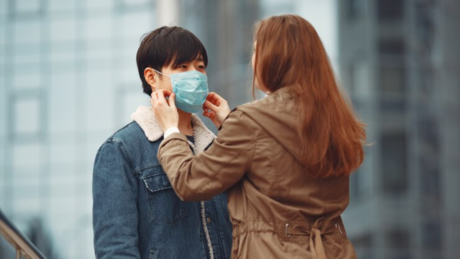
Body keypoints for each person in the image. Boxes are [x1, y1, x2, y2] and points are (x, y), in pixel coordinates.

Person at [151, 15, 366, 259]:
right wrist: (232, 122)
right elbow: (278, 164)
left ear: (274, 59)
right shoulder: (334, 120)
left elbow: (189, 181)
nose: (252, 62)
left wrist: (171, 131)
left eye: (256, 52)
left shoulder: (251, 123)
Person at [92, 26, 232, 259]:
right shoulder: (122, 150)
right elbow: (116, 250)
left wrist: (232, 129)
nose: (195, 75)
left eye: (200, 67)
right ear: (152, 77)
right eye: (182, 67)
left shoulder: (218, 147)